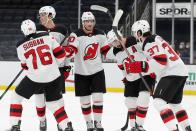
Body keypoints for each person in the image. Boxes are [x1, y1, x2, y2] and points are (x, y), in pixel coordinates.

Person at [123, 20, 192, 131]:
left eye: (135, 32)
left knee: (159, 102)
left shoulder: (149, 42)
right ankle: (187, 128)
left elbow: (161, 61)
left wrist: (140, 66)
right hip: (180, 70)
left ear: (140, 33)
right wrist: (144, 67)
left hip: (171, 72)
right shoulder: (156, 38)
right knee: (175, 105)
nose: (135, 35)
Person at [7, 19, 73, 131]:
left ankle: (15, 126)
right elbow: (61, 55)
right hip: (54, 75)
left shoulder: (20, 45)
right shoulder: (47, 36)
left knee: (16, 97)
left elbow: (24, 66)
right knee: (54, 105)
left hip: (35, 78)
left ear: (23, 31)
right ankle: (66, 126)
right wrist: (51, 66)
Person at [63, 11, 120, 131]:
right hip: (81, 73)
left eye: (91, 21)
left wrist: (116, 48)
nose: (89, 23)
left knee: (98, 98)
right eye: (87, 21)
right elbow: (72, 50)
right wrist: (66, 52)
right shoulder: (76, 35)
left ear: (94, 22)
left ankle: (98, 122)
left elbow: (105, 52)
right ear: (83, 22)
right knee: (85, 101)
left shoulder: (100, 34)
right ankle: (89, 123)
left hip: (97, 71)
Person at [106, 30, 156, 131]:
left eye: (116, 41)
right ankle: (133, 126)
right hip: (131, 78)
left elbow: (148, 51)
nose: (115, 45)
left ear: (120, 37)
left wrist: (152, 67)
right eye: (113, 43)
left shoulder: (134, 40)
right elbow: (122, 66)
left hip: (145, 75)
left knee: (143, 98)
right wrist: (125, 76)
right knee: (130, 102)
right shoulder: (116, 52)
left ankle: (139, 125)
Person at [35, 6, 72, 131]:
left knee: (58, 99)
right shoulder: (36, 30)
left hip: (57, 71)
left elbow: (66, 52)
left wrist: (66, 69)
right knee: (39, 97)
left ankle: (60, 122)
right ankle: (42, 121)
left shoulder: (62, 30)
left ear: (51, 15)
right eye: (40, 14)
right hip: (40, 70)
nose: (41, 17)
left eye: (43, 14)